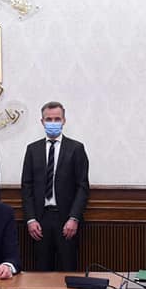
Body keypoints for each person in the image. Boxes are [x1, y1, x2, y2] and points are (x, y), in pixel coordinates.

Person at [21, 101, 90, 271]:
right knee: (42, 271)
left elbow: (82, 187)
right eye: (49, 119)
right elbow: (26, 186)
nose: (53, 123)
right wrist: (31, 219)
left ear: (64, 120)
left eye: (57, 119)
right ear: (42, 122)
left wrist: (74, 218)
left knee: (68, 268)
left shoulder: (76, 148)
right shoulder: (32, 149)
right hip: (40, 220)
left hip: (66, 219)